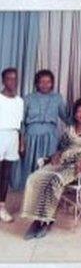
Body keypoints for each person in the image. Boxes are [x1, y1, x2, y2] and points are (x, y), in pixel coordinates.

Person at [21, 98, 81, 239]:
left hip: (78, 167)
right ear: (74, 114)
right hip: (61, 161)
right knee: (34, 178)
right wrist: (55, 155)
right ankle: (37, 220)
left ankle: (47, 220)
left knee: (54, 180)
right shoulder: (70, 129)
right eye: (79, 111)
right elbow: (61, 147)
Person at [19, 69, 69, 186]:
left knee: (48, 163)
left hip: (50, 136)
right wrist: (21, 142)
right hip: (31, 136)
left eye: (48, 82)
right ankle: (31, 191)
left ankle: (46, 191)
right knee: (31, 164)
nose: (45, 85)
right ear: (36, 83)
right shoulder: (28, 98)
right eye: (42, 82)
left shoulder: (57, 98)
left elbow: (65, 116)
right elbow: (21, 121)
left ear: (52, 83)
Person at [0, 68, 24, 223]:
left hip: (13, 136)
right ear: (3, 80)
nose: (12, 82)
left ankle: (2, 207)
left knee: (5, 174)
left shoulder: (20, 101)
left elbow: (20, 124)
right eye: (9, 79)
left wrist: (21, 142)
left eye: (15, 79)